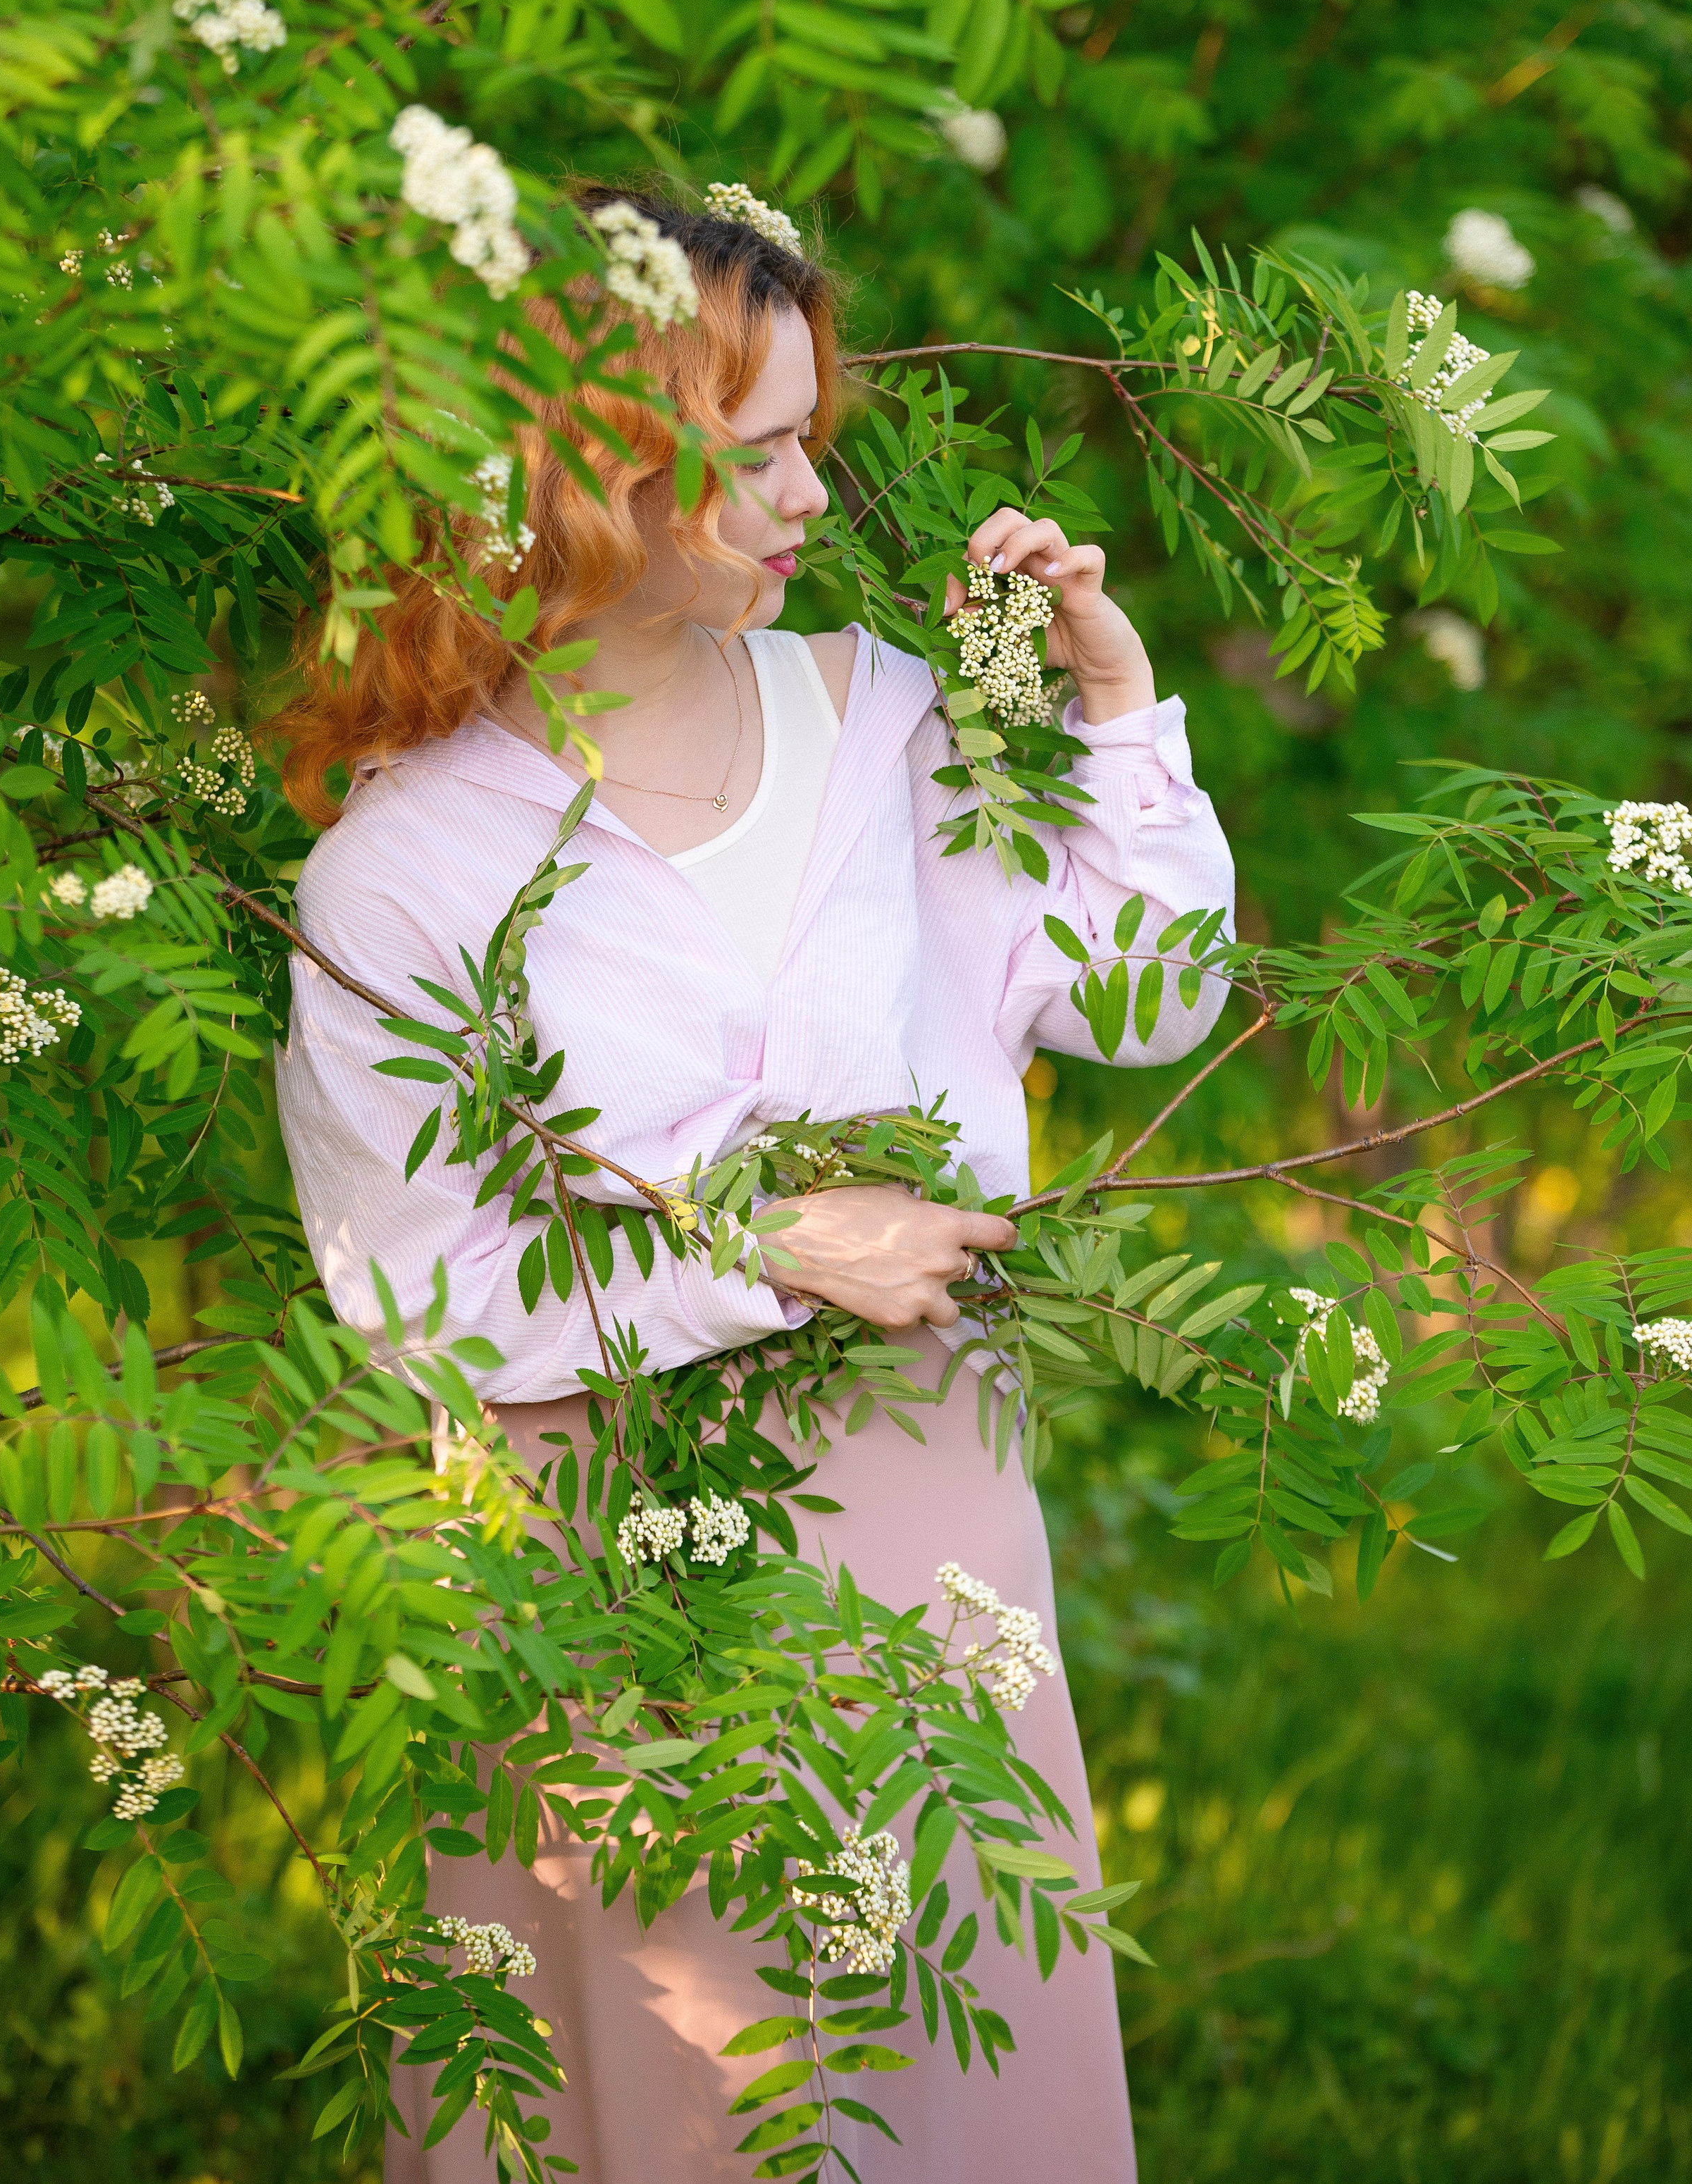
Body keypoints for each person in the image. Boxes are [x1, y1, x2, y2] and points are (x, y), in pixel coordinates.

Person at [275, 192, 1236, 2183]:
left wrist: (1115, 707)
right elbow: (416, 1291)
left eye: (817, 431)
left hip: (921, 1497)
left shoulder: (891, 714)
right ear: (588, 471)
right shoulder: (404, 868)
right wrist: (762, 1247)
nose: (812, 487)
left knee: (947, 2053)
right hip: (603, 1550)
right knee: (683, 2092)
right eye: (757, 447)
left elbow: (1148, 1000)